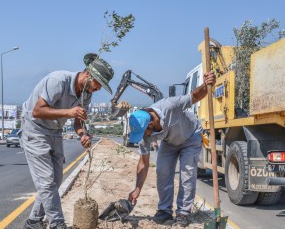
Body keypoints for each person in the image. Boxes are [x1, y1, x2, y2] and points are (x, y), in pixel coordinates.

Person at [20, 53, 114, 229]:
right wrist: (68, 112)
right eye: (99, 84)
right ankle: (57, 224)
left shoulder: (86, 93)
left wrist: (82, 135)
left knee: (56, 179)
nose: (99, 89)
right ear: (89, 76)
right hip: (35, 129)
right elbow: (37, 111)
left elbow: (78, 121)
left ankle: (33, 221)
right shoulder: (58, 80)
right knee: (46, 182)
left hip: (55, 131)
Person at [127, 70, 215, 227]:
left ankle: (183, 213)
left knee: (187, 174)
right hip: (169, 142)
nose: (144, 137)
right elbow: (143, 164)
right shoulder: (145, 135)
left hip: (191, 136)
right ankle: (164, 210)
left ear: (150, 124)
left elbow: (194, 96)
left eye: (144, 133)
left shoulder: (169, 105)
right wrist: (137, 188)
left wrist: (206, 84)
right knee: (162, 171)